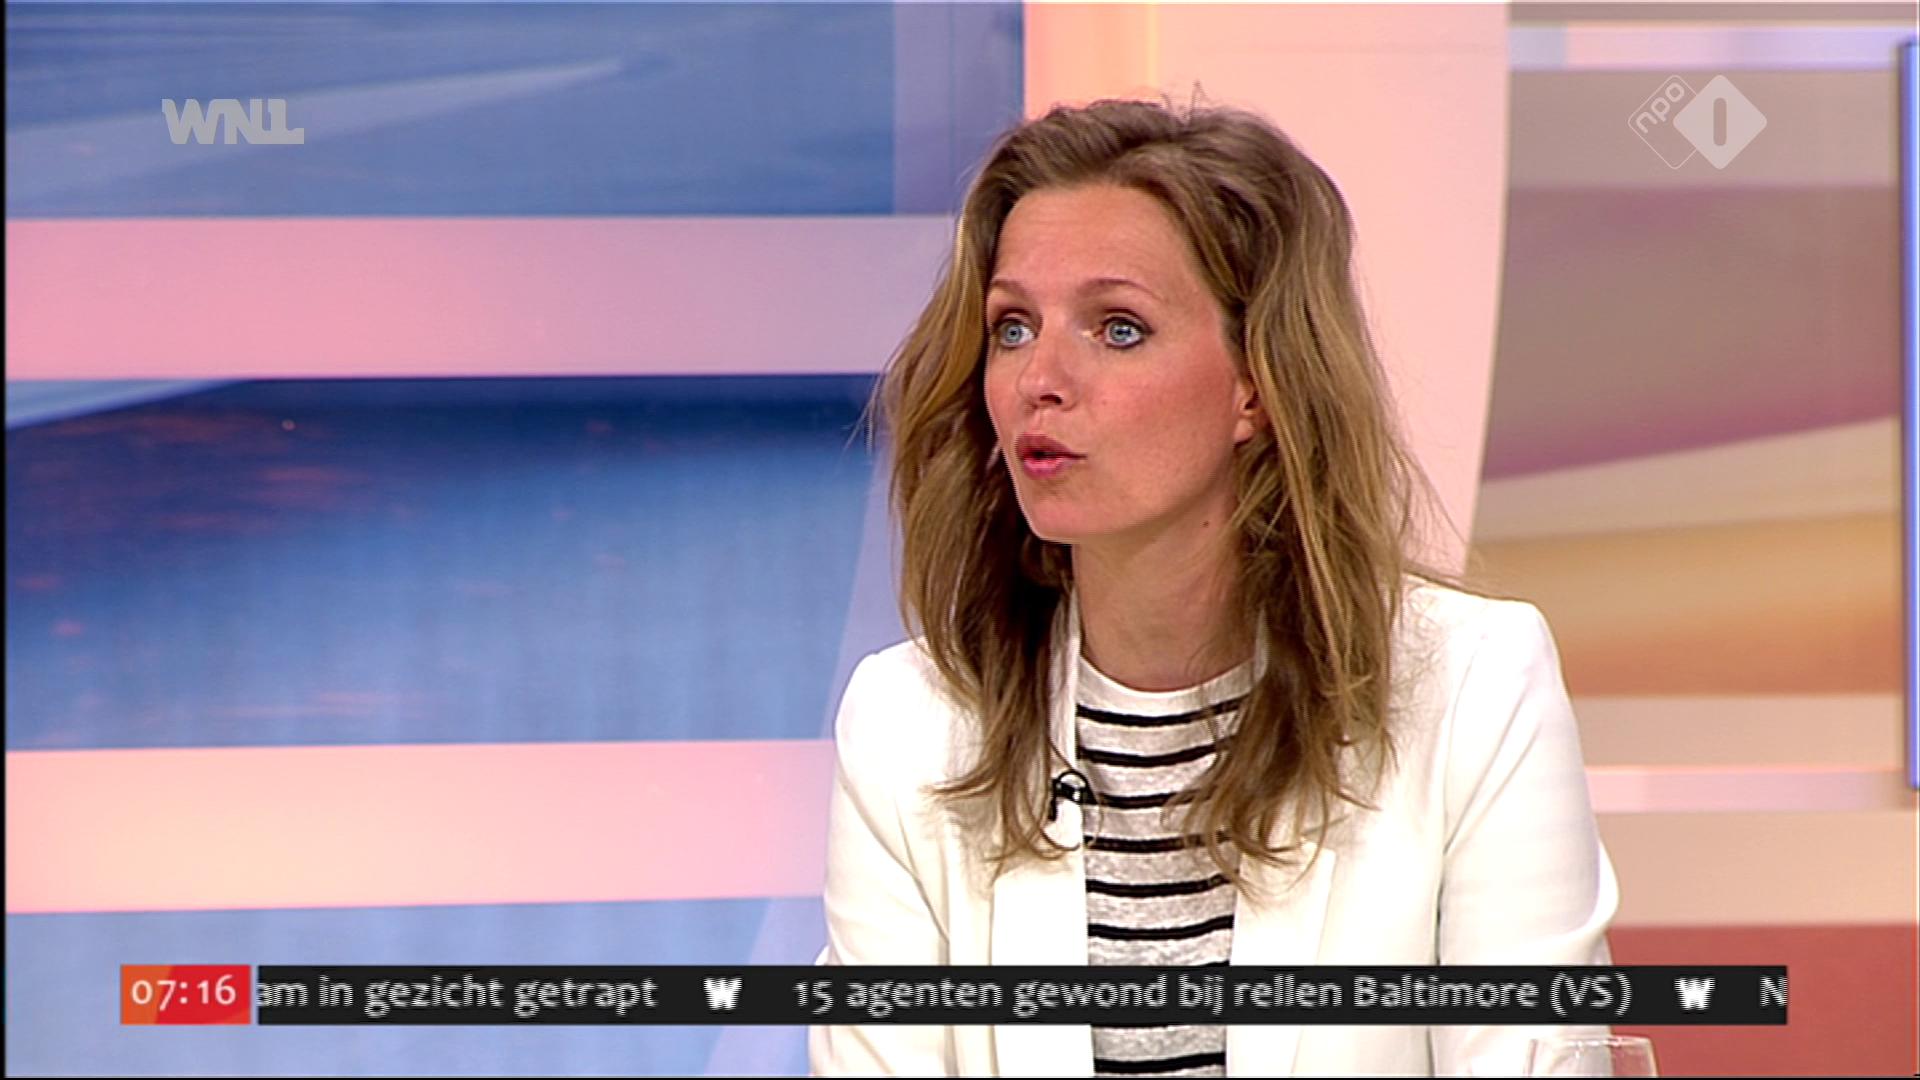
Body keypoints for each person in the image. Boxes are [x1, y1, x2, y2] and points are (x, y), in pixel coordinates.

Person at [809, 98, 1617, 1077]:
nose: (1039, 379)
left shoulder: (1474, 689)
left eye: (1117, 328)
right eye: (1013, 327)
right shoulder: (909, 727)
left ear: (1256, 384)